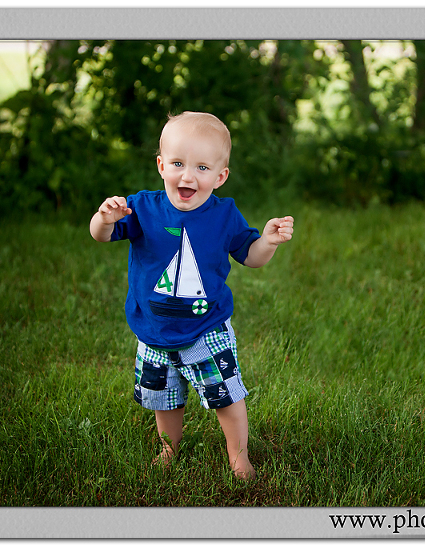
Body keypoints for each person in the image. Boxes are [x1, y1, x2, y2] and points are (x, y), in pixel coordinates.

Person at [89, 111, 294, 479]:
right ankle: (169, 448)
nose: (188, 176)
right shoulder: (143, 208)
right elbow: (101, 236)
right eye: (179, 163)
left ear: (220, 177)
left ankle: (238, 457)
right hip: (153, 330)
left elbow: (250, 257)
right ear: (161, 165)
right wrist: (104, 219)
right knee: (164, 399)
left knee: (226, 395)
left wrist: (267, 241)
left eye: (202, 168)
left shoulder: (224, 215)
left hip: (206, 329)